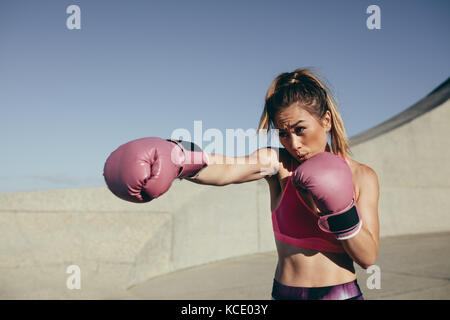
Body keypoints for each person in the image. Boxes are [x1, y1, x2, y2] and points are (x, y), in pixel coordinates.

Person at [103, 68, 380, 300]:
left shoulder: (362, 176)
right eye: (283, 133)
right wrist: (179, 158)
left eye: (299, 129)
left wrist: (339, 209)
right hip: (284, 294)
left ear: (326, 121)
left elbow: (367, 257)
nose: (293, 144)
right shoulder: (280, 164)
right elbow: (228, 170)